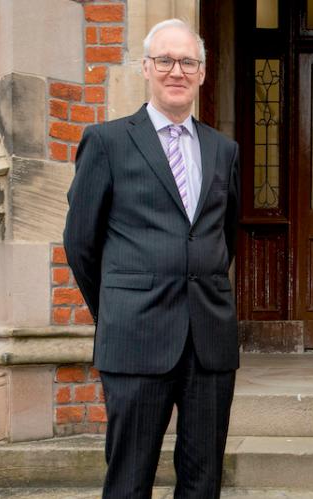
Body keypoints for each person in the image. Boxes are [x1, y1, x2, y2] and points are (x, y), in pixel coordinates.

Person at [63, 19, 240, 498]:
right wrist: (118, 310)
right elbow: (80, 243)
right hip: (135, 337)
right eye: (165, 60)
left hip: (209, 340)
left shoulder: (223, 150)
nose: (176, 70)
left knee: (203, 478)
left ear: (202, 72)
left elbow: (225, 237)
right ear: (146, 67)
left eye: (187, 61)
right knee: (129, 478)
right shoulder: (107, 141)